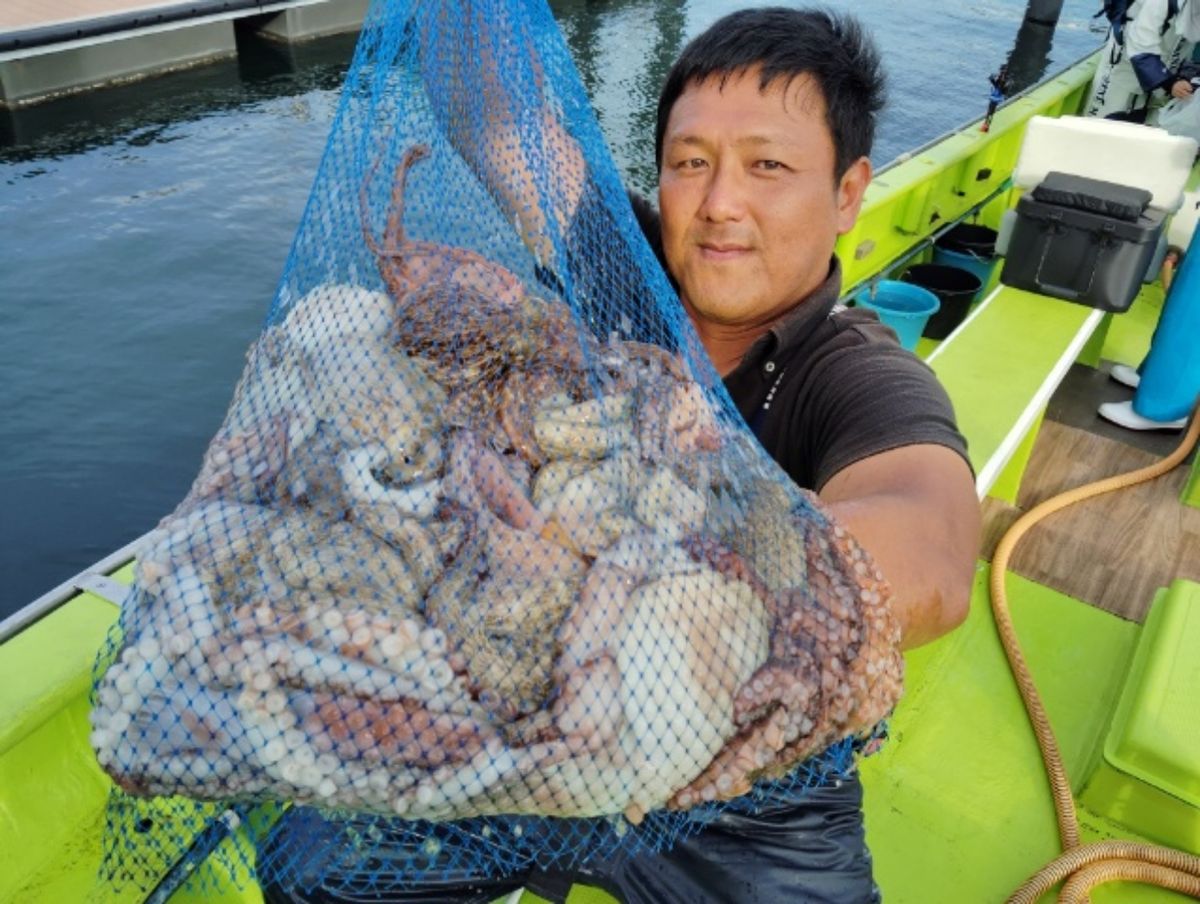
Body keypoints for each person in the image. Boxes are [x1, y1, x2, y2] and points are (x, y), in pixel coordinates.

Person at [264, 7, 981, 902]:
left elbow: (934, 547)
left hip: (746, 779)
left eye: (768, 166)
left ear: (847, 191)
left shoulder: (856, 373)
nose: (720, 203)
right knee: (319, 865)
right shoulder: (617, 263)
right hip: (529, 710)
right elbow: (489, 115)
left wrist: (675, 554)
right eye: (691, 163)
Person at [1085, 0, 1200, 122]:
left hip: (1167, 69)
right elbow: (1140, 47)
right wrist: (1169, 83)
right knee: (1102, 123)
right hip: (1124, 68)